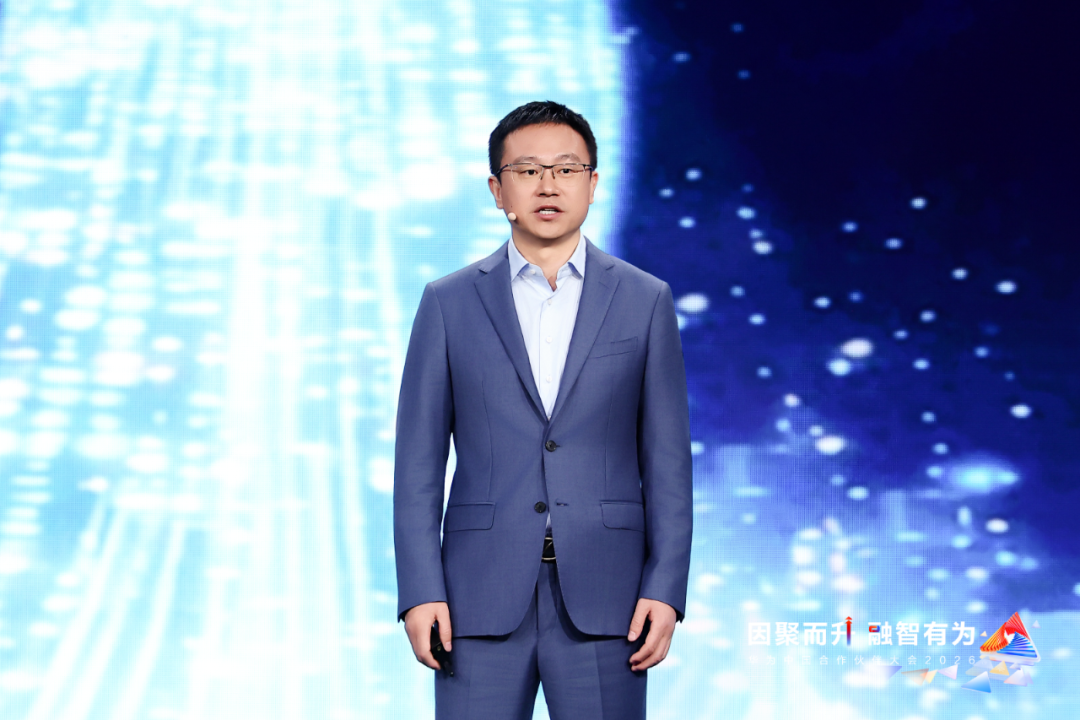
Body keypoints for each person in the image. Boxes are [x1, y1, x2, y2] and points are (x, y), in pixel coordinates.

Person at [394, 100, 692, 720]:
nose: (548, 185)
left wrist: (665, 589)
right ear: (497, 190)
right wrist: (420, 591)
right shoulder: (448, 302)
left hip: (610, 598)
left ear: (593, 183)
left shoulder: (645, 300)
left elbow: (667, 462)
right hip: (475, 597)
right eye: (528, 171)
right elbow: (417, 465)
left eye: (566, 169)